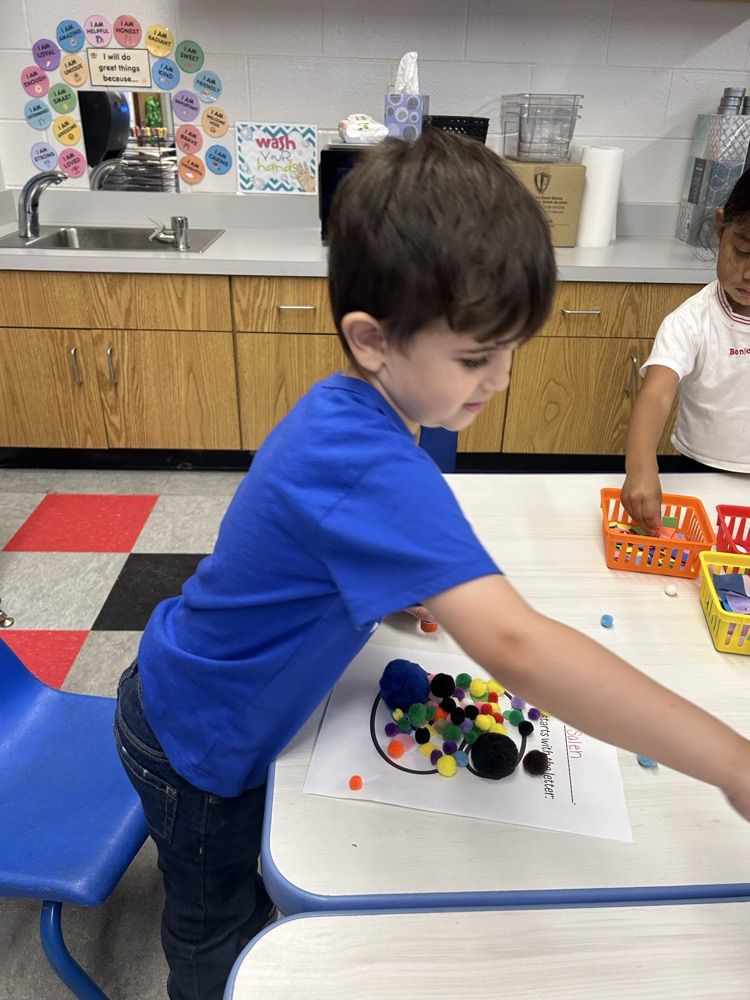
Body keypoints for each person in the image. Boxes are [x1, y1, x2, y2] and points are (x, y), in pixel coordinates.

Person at [114, 129, 750, 1000]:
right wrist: (733, 764)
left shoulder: (370, 411)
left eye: (511, 349)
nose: (504, 380)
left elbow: (339, 547)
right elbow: (519, 648)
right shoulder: (365, 460)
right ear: (373, 339)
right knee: (211, 920)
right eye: (477, 357)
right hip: (196, 743)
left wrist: (400, 591)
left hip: (204, 686)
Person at [622, 169, 750, 533]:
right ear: (721, 226)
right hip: (701, 470)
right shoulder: (690, 321)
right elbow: (657, 395)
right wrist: (641, 467)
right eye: (742, 251)